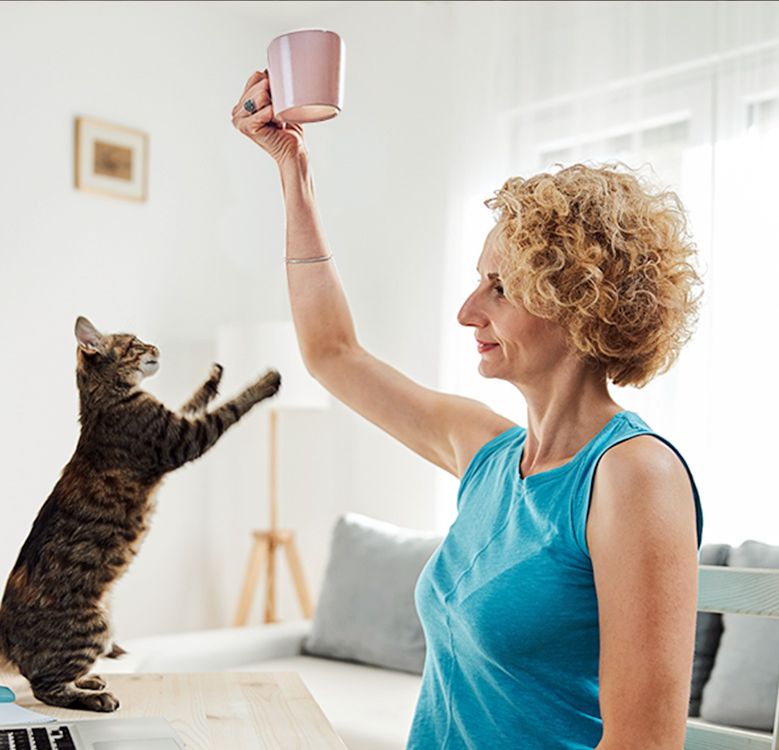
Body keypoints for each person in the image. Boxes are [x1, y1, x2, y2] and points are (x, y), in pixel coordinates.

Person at [232, 70, 703, 750]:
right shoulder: (485, 452)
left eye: (500, 288)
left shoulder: (635, 476)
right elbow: (333, 354)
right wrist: (292, 171)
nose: (466, 311)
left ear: (580, 305)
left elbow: (645, 746)